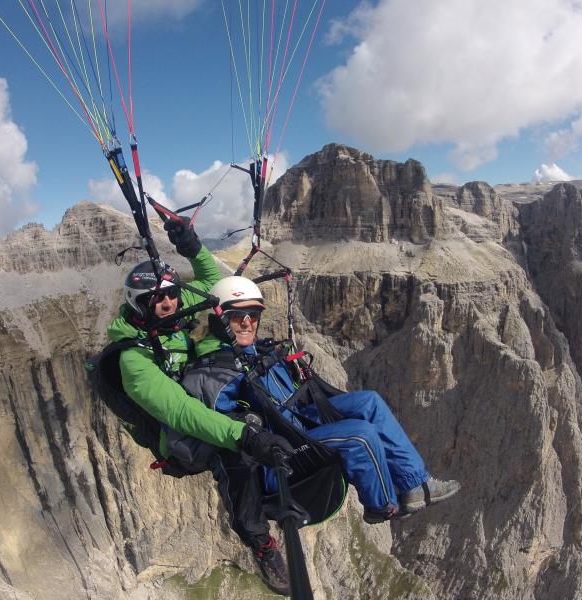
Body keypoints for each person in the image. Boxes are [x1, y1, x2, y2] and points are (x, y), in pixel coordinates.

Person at [106, 219, 293, 595]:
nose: (169, 303)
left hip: (200, 399)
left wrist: (192, 247)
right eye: (157, 299)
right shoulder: (133, 360)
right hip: (176, 437)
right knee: (230, 452)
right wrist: (243, 435)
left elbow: (211, 283)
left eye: (172, 294)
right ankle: (260, 543)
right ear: (138, 305)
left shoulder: (172, 316)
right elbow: (179, 413)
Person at [184, 275, 461, 525]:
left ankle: (415, 484)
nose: (247, 322)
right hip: (278, 454)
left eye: (253, 315)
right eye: (237, 316)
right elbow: (217, 430)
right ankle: (382, 506)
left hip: (294, 422)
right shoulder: (214, 373)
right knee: (360, 435)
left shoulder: (246, 350)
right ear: (219, 320)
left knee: (369, 402)